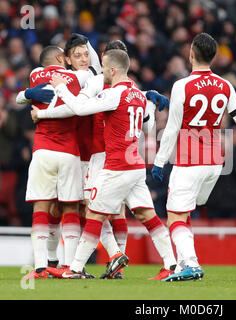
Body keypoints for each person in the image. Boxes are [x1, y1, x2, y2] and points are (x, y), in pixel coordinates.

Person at [39, 49, 176, 279]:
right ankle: (171, 264)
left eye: (103, 68)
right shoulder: (138, 94)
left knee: (94, 215)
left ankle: (74, 269)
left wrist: (61, 86)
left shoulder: (114, 94)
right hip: (135, 166)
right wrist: (150, 104)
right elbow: (147, 128)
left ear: (113, 70)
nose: (102, 72)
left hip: (117, 166)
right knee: (146, 215)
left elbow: (81, 108)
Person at [151, 33, 236, 281]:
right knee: (185, 210)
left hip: (189, 160)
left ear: (191, 53)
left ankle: (190, 263)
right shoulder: (225, 85)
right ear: (213, 57)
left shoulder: (182, 86)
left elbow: (172, 128)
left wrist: (159, 161)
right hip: (215, 163)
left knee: (175, 214)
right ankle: (182, 265)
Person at [19, 46, 84, 279]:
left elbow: (22, 97)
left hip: (43, 150)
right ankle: (70, 267)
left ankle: (40, 268)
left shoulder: (35, 75)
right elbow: (75, 108)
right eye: (65, 56)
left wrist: (29, 98)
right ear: (60, 58)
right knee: (70, 207)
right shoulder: (76, 78)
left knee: (41, 207)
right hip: (69, 152)